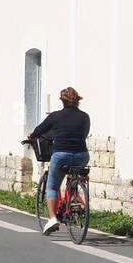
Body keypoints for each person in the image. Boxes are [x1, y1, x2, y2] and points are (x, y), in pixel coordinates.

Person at [24, 87, 90, 235]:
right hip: (82, 155)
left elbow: (39, 130)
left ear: (63, 101)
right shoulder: (85, 116)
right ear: (77, 100)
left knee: (52, 187)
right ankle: (74, 196)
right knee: (74, 175)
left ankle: (53, 218)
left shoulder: (55, 116)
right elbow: (85, 133)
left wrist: (32, 135)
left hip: (61, 155)